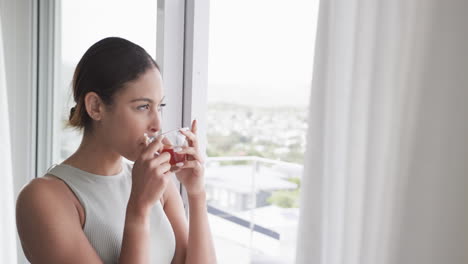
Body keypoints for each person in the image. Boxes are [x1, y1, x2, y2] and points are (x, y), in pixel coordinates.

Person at [15, 37, 217, 264]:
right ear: (95, 107)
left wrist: (196, 193)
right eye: (142, 106)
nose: (157, 125)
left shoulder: (155, 183)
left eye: (159, 106)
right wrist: (138, 211)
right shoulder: (44, 198)